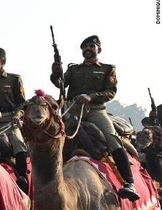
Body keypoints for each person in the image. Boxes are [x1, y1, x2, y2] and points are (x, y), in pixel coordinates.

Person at [50, 35, 140, 200]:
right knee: (50, 136)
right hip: (71, 110)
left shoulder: (107, 69)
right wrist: (56, 71)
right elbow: (59, 83)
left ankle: (129, 182)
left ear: (99, 49)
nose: (88, 49)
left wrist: (91, 97)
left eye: (91, 46)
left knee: (111, 137)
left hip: (95, 110)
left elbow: (111, 91)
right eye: (85, 47)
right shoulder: (74, 69)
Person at [0, 48, 30, 193]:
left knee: (18, 142)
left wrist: (17, 115)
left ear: (3, 61)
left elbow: (22, 103)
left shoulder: (14, 80)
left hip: (9, 121)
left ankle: (22, 176)